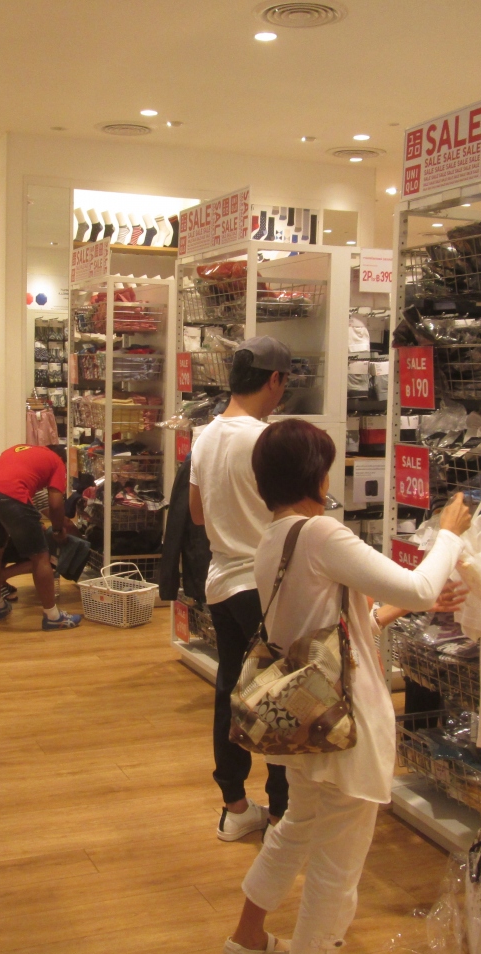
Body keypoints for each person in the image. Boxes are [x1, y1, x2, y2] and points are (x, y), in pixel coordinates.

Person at [223, 419, 470, 954]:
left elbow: (330, 633)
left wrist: (401, 606)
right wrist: (449, 533)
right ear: (316, 473)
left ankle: (246, 938)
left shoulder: (273, 540)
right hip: (347, 723)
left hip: (306, 717)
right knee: (338, 864)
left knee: (296, 830)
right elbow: (420, 585)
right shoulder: (321, 534)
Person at [189, 336, 291, 842]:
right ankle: (280, 817)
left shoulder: (205, 435)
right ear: (274, 380)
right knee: (280, 700)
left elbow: (196, 513)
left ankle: (235, 807)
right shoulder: (267, 440)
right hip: (265, 586)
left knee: (231, 692)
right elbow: (295, 516)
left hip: (222, 583)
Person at [0, 444, 82, 629]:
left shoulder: (16, 449)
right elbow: (55, 504)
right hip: (11, 496)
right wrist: (57, 529)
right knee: (40, 556)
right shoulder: (57, 462)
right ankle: (53, 616)